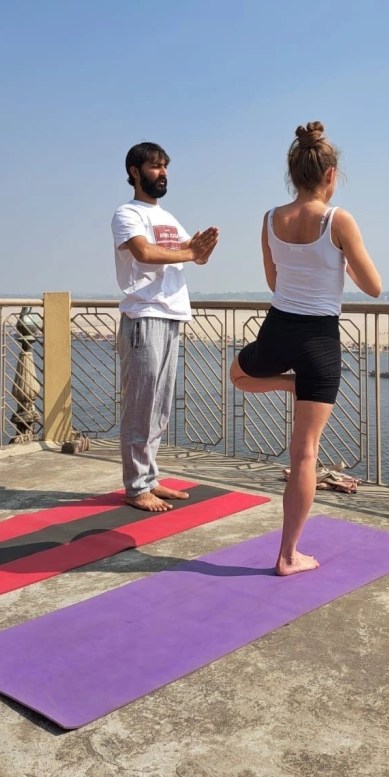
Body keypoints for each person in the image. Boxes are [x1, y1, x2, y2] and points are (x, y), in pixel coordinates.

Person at [229, 121, 381, 576]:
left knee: (238, 374)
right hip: (319, 341)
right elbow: (373, 286)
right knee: (305, 455)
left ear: (292, 174)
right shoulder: (339, 220)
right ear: (330, 175)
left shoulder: (270, 219)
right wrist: (343, 265)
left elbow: (273, 280)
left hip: (278, 329)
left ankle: (289, 385)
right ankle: (288, 554)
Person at [111, 142, 219, 512]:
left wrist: (201, 248)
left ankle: (150, 479)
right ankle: (136, 486)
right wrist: (191, 252)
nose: (163, 173)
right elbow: (144, 252)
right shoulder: (127, 213)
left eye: (165, 166)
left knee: (158, 407)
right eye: (155, 166)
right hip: (144, 316)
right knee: (140, 406)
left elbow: (191, 253)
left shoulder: (168, 218)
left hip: (171, 315)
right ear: (134, 171)